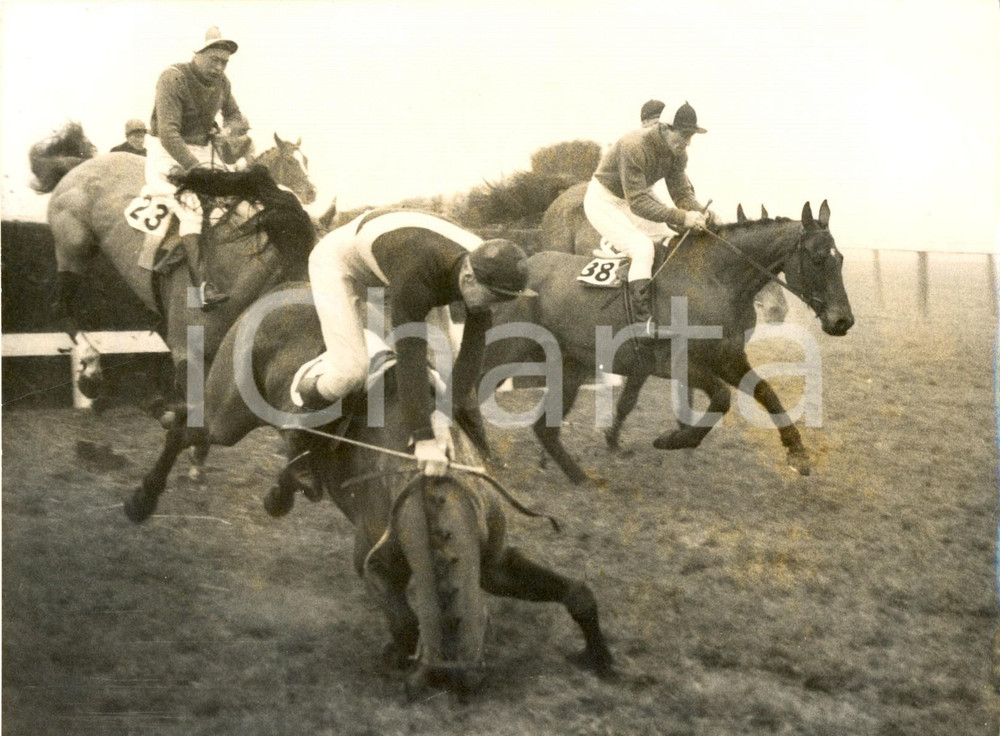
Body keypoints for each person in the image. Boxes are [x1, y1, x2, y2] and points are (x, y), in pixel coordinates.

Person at [299, 210, 536, 477]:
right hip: (341, 263)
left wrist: (443, 417)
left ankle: (483, 460)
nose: (495, 307)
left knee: (450, 367)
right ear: (469, 277)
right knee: (350, 372)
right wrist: (424, 438)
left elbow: (471, 354)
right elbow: (411, 355)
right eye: (493, 298)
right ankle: (301, 447)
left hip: (403, 265)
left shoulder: (482, 268)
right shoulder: (419, 273)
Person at [584, 101, 719, 332]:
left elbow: (681, 193)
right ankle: (642, 321)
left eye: (691, 136)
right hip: (603, 200)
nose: (687, 142)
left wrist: (696, 212)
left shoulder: (679, 154)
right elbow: (638, 203)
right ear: (665, 128)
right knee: (643, 248)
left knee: (669, 239)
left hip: (632, 200)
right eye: (684, 135)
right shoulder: (633, 145)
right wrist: (682, 217)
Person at [145, 26, 250, 310]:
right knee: (193, 206)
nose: (219, 67)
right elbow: (168, 134)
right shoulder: (173, 77)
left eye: (224, 62)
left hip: (204, 149)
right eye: (214, 60)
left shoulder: (222, 83)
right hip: (167, 151)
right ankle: (202, 286)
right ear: (198, 55)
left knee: (238, 200)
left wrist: (229, 130)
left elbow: (237, 117)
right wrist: (197, 171)